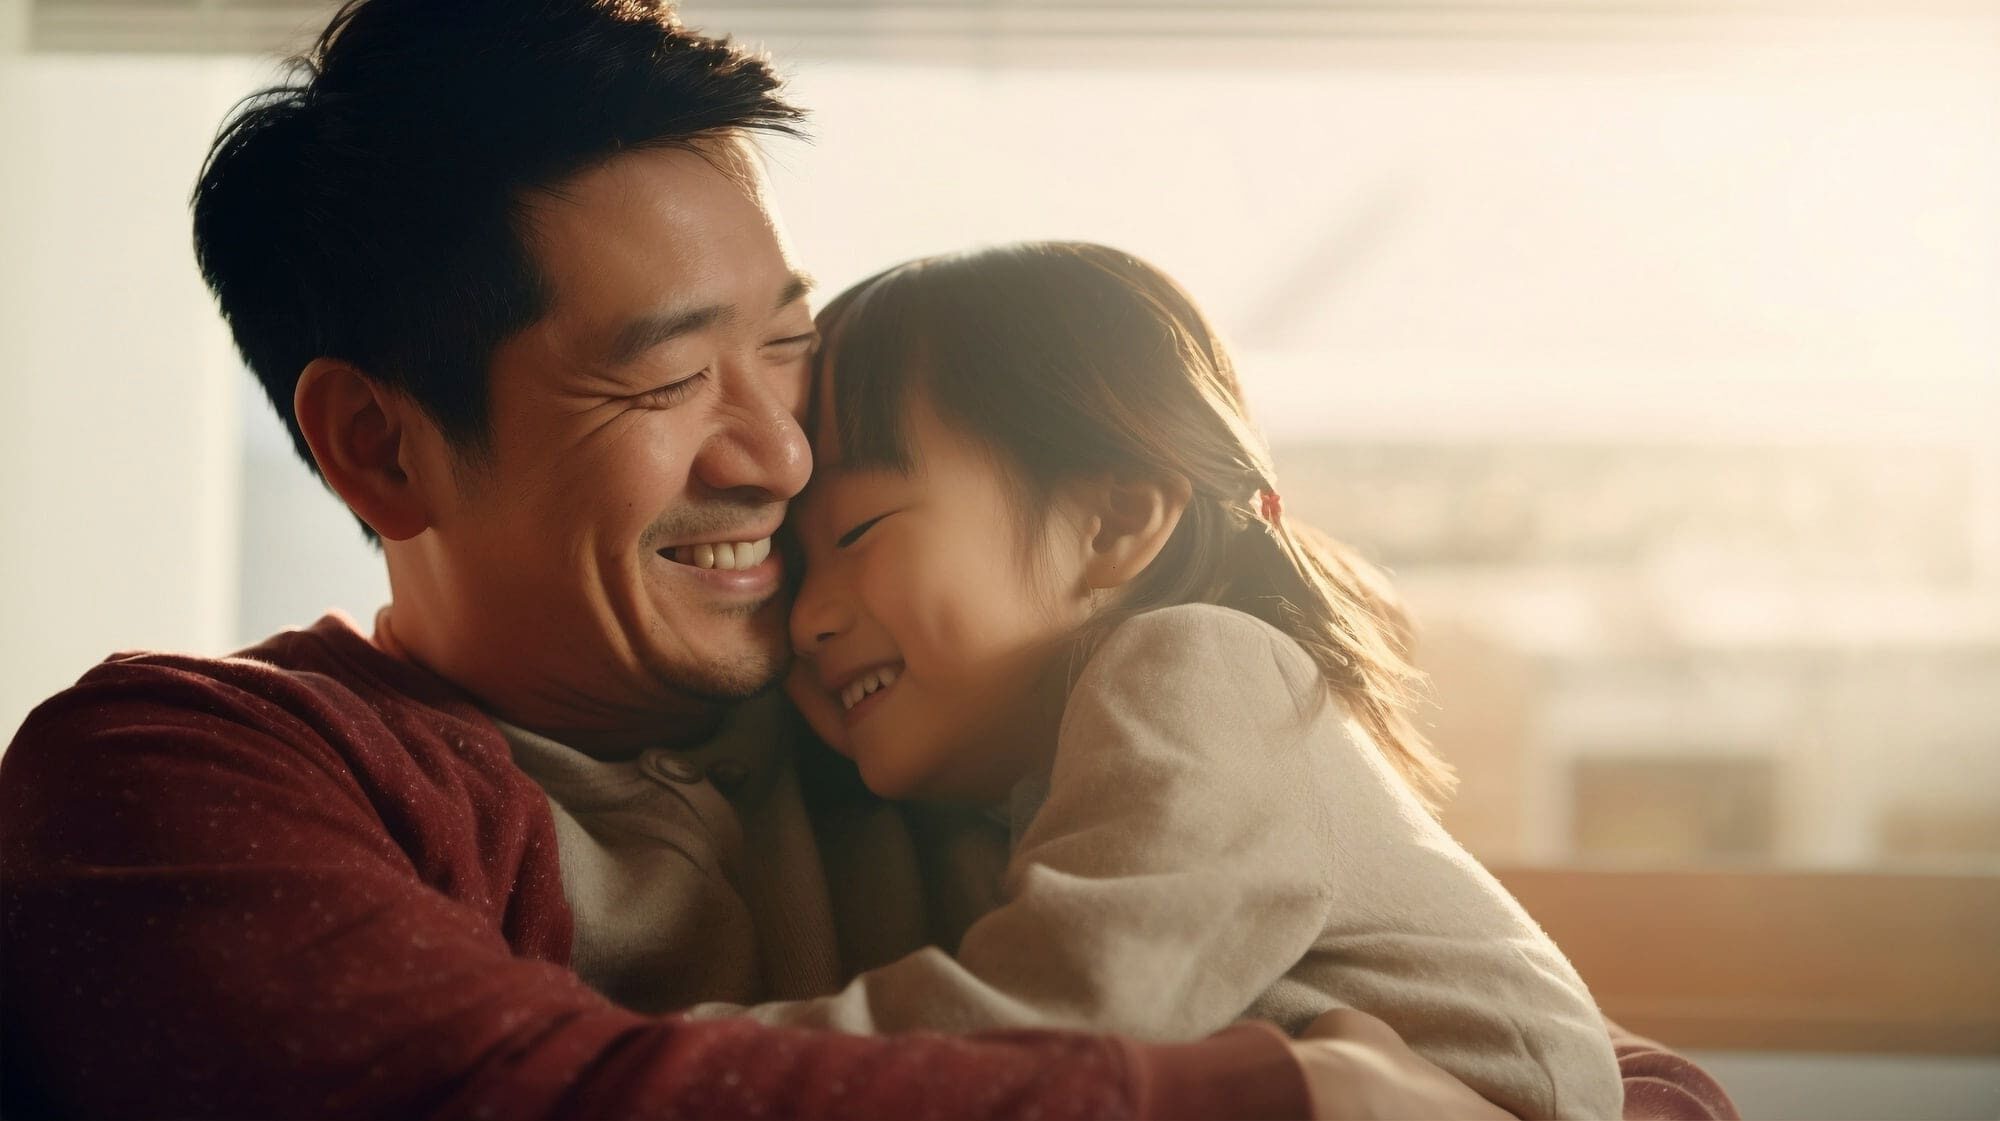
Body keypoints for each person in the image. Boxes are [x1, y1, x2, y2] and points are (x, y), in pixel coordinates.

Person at [0, 1, 1527, 1118]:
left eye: (786, 346)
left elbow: (1547, 1048)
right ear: (377, 449)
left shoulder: (935, 697)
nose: (779, 453)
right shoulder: (182, 771)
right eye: (666, 381)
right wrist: (1260, 1103)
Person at [697, 242, 1622, 1120]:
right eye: (792, 557)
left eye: (857, 532)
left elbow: (1078, 999)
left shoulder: (1199, 662)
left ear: (1113, 523)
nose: (809, 615)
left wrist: (705, 1069)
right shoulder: (1002, 799)